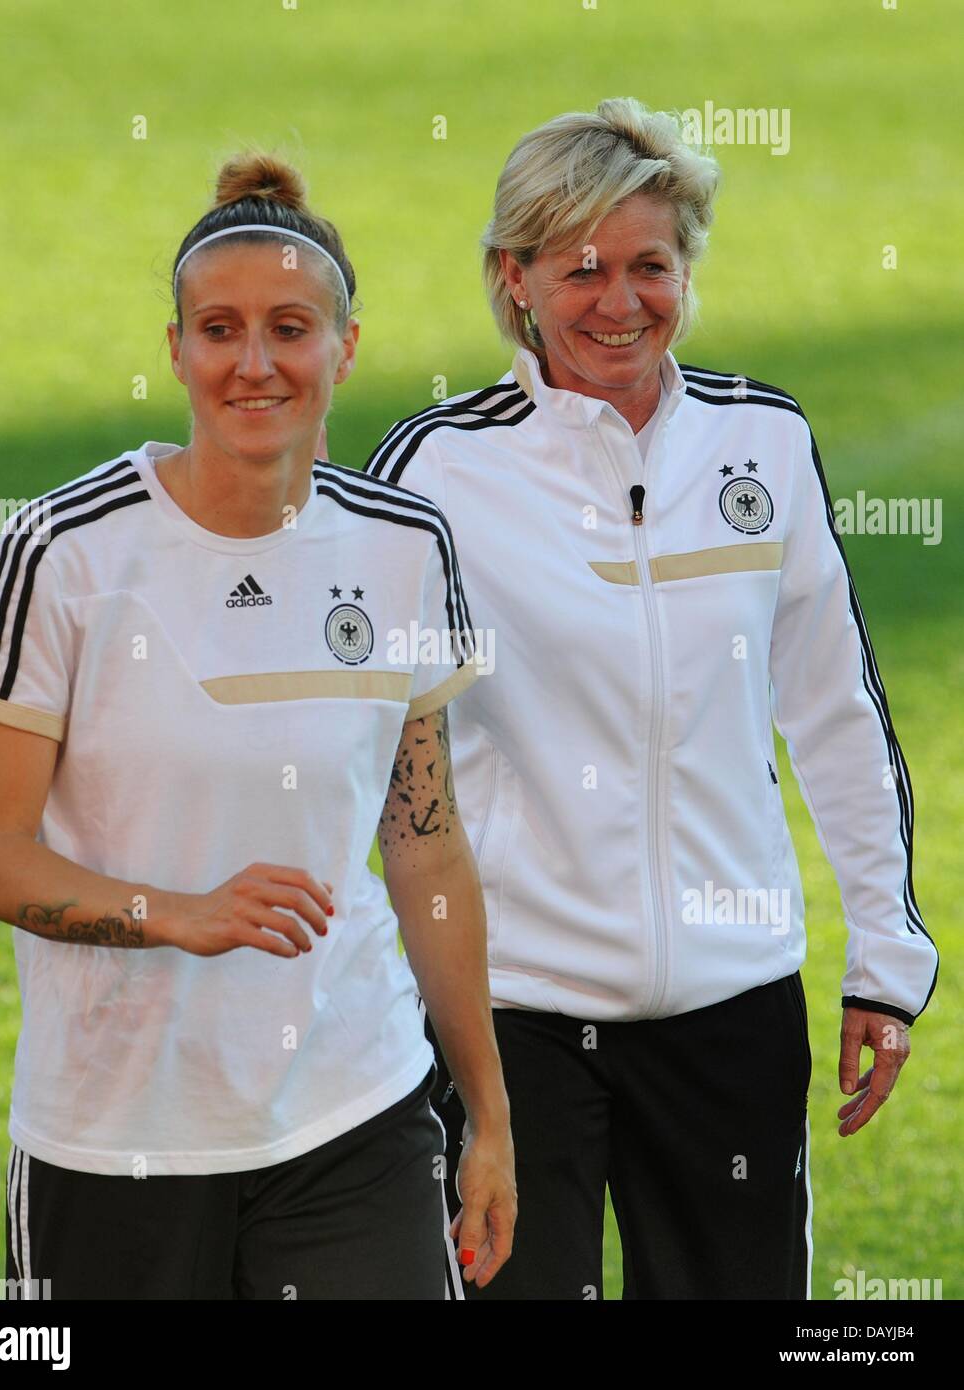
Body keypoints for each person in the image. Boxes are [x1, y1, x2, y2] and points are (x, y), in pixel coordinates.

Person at [365, 97, 938, 1300]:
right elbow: (365, 759)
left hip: (732, 1009)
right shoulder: (434, 474)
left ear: (687, 268)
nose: (619, 302)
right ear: (512, 278)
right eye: (580, 269)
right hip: (510, 1019)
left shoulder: (763, 443)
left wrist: (882, 958)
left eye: (649, 265)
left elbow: (836, 707)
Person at [0, 152, 515, 1300]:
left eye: (291, 328)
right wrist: (174, 914)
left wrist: (490, 1112)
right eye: (219, 329)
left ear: (345, 348)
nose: (254, 363)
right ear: (177, 350)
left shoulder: (406, 546)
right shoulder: (63, 552)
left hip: (356, 1104)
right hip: (116, 1134)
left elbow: (424, 839)